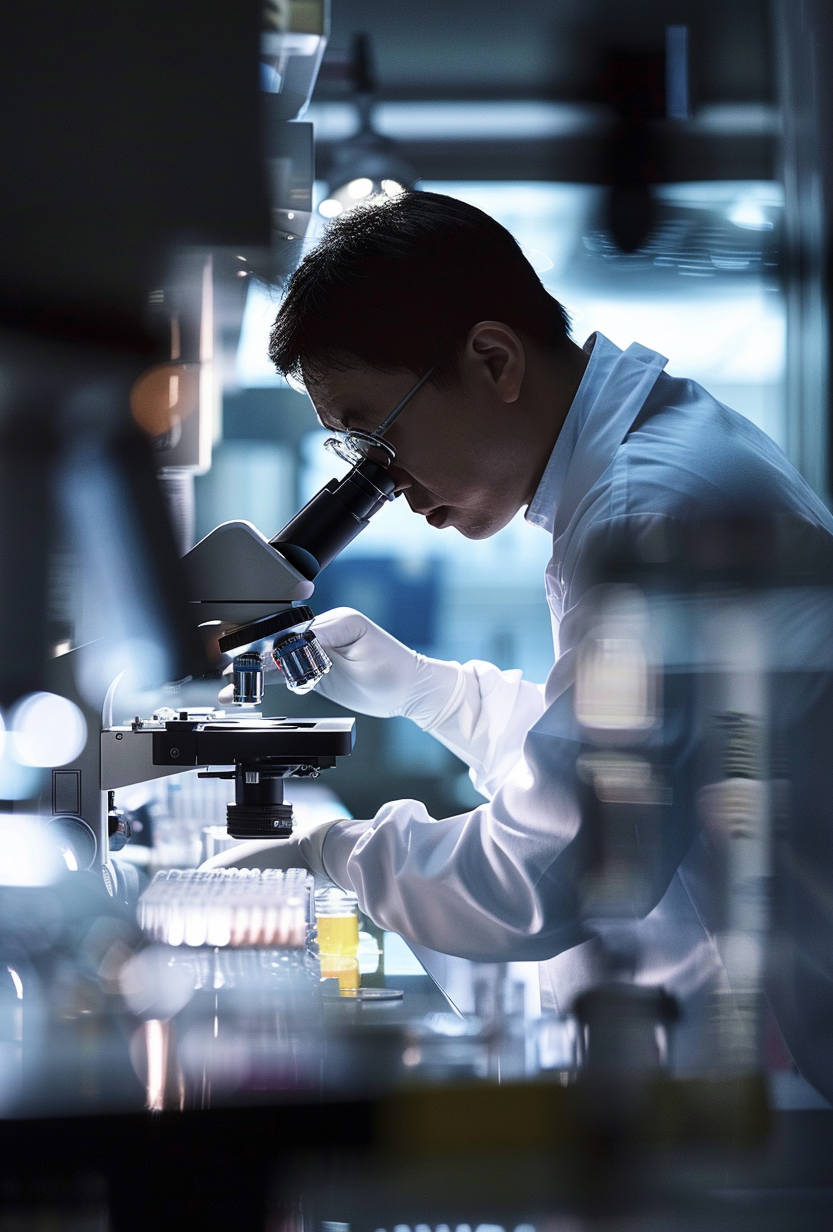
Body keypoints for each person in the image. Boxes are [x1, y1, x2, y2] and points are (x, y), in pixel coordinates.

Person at [208, 191, 833, 1086]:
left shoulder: (649, 511)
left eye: (376, 443)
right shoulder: (639, 473)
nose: (386, 490)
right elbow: (621, 765)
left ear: (494, 359)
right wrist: (437, 694)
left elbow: (547, 874)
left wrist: (329, 853)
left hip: (786, 1068)